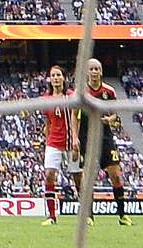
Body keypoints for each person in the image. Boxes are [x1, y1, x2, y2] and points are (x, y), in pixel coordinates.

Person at [72, 58, 133, 227]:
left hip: (105, 137)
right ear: (86, 72)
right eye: (91, 69)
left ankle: (122, 215)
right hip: (86, 138)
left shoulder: (109, 91)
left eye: (97, 69)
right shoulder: (80, 92)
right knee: (87, 178)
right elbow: (74, 116)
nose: (94, 72)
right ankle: (89, 216)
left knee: (116, 176)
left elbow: (116, 114)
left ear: (101, 72)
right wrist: (75, 138)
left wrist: (110, 119)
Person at [39, 65, 76, 227]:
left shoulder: (71, 96)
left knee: (78, 178)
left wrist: (76, 139)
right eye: (52, 75)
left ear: (63, 78)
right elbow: (47, 123)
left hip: (71, 142)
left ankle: (87, 215)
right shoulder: (46, 99)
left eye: (58, 75)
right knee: (49, 175)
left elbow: (77, 118)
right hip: (53, 142)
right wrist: (47, 141)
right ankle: (52, 216)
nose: (55, 78)